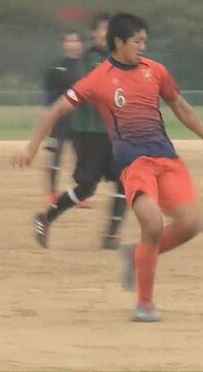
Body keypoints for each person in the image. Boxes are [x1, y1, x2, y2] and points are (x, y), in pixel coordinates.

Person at [12, 12, 203, 322]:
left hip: (167, 160)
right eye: (137, 41)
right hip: (134, 165)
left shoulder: (155, 71)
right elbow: (56, 110)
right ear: (119, 42)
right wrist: (31, 148)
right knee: (152, 224)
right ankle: (145, 304)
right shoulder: (98, 78)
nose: (143, 47)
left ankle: (136, 254)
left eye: (144, 41)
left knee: (192, 223)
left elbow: (180, 107)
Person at [33, 13, 129, 251]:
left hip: (115, 133)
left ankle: (111, 236)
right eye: (103, 29)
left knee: (127, 180)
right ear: (94, 34)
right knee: (87, 186)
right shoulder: (86, 61)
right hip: (89, 132)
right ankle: (46, 218)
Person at [43, 30, 84, 205]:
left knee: (82, 156)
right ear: (64, 44)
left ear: (81, 44)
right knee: (56, 154)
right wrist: (47, 111)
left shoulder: (85, 66)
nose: (72, 44)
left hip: (80, 118)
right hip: (60, 117)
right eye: (69, 41)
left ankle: (80, 193)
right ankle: (52, 193)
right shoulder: (56, 66)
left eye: (75, 40)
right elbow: (49, 93)